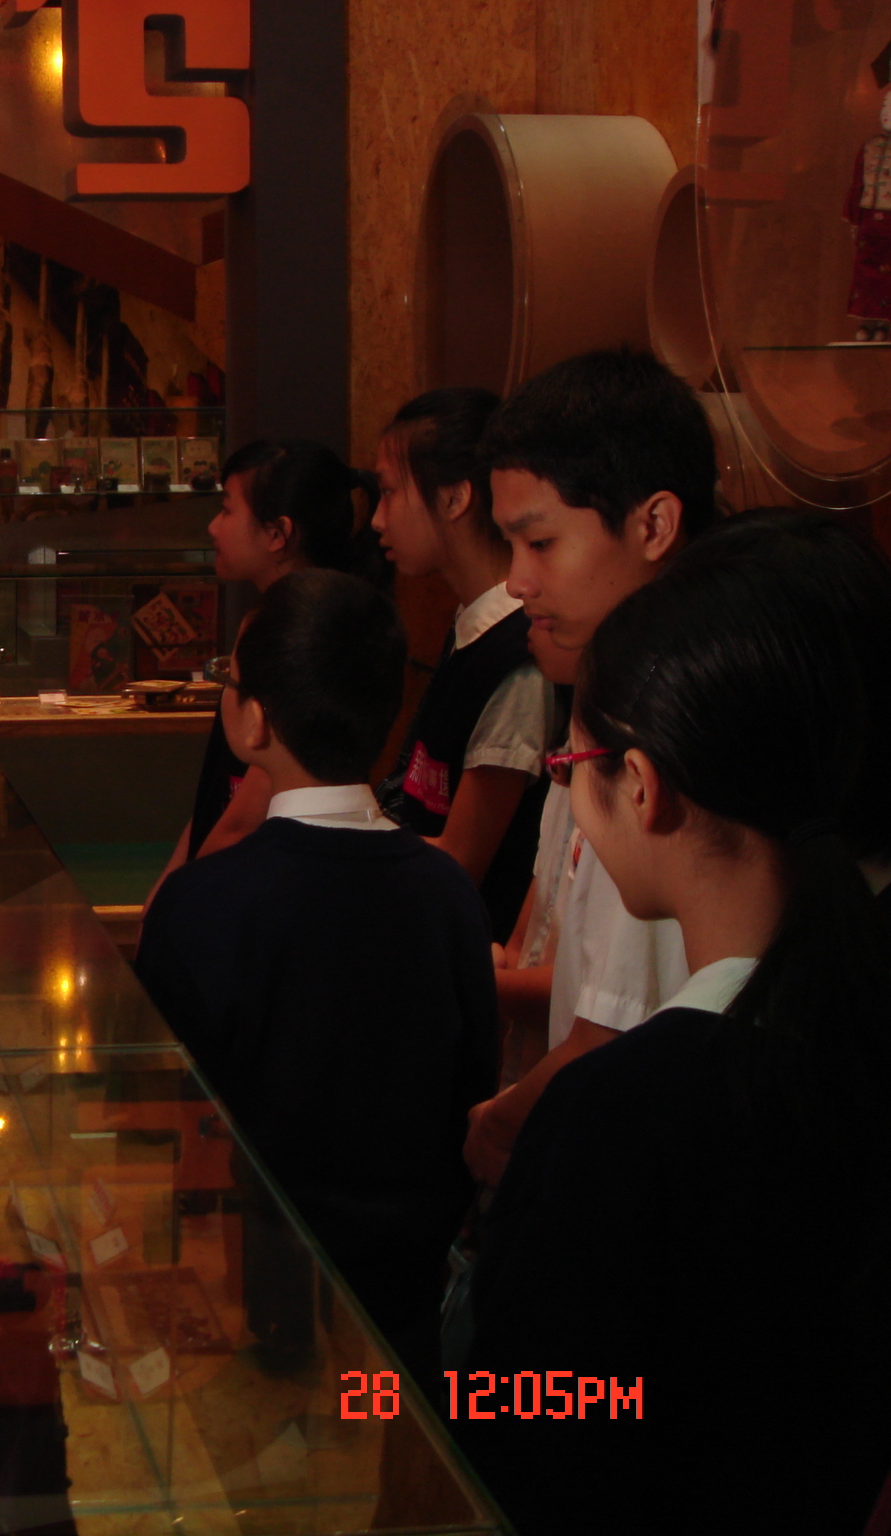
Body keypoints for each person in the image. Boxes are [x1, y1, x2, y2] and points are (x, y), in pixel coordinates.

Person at [456, 513, 891, 1536]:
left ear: (642, 788)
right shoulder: (849, 1031)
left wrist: (380, 1395)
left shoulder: (624, 1111)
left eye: (571, 764)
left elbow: (543, 1414)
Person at [136, 570, 497, 1384]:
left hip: (253, 1289)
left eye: (231, 681)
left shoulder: (203, 904)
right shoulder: (447, 894)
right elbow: (469, 1087)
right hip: (405, 1298)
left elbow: (169, 1116)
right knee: (387, 1439)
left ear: (255, 719)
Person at [462, 348, 717, 1186]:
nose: (517, 581)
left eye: (540, 542)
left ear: (654, 525)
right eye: (510, 544)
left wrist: (496, 1127)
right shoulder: (593, 687)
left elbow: (615, 1029)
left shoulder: (669, 722)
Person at [155, 439, 384, 900]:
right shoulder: (263, 621)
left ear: (278, 534)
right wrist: (176, 873)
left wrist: (183, 898)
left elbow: (247, 815)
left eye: (227, 510)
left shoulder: (310, 639)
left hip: (262, 885)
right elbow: (221, 790)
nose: (213, 526)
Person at [371, 387, 555, 938]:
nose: (377, 519)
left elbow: (461, 861)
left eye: (389, 492)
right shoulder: (471, 625)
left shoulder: (519, 654)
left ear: (454, 498)